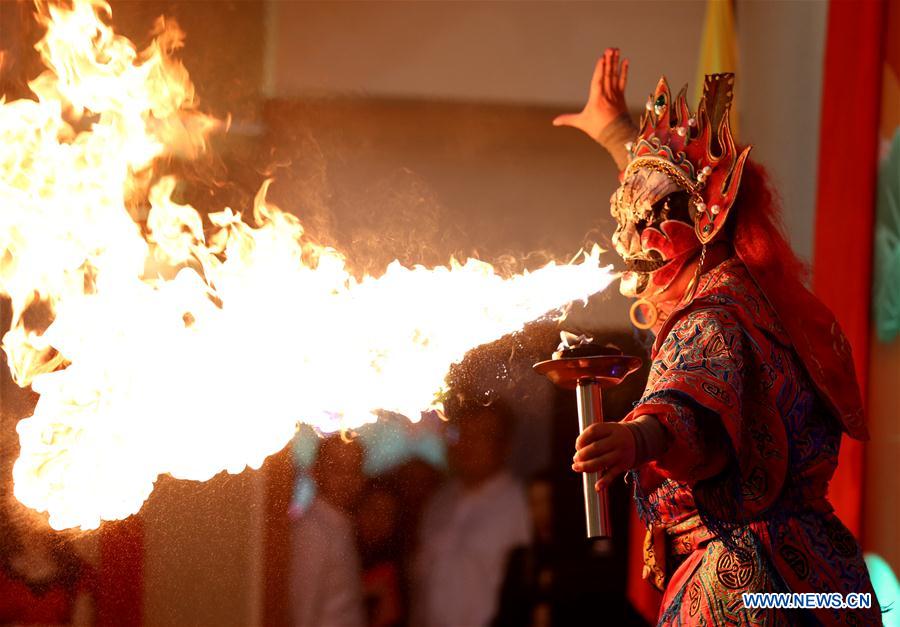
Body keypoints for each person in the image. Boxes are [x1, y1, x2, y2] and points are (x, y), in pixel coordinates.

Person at [556, 48, 881, 624]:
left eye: (649, 222)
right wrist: (615, 133)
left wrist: (638, 441)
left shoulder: (713, 314)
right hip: (834, 584)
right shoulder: (755, 296)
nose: (636, 237)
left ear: (705, 221)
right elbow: (677, 190)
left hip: (747, 589)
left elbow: (692, 400)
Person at [411, 398, 531, 627]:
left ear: (504, 446)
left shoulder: (521, 505)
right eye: (463, 433)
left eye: (482, 435)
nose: (468, 444)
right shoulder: (439, 501)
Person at [290, 435, 366, 627]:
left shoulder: (340, 525)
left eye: (354, 470)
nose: (347, 480)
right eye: (337, 469)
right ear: (316, 472)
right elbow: (303, 612)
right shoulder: (312, 530)